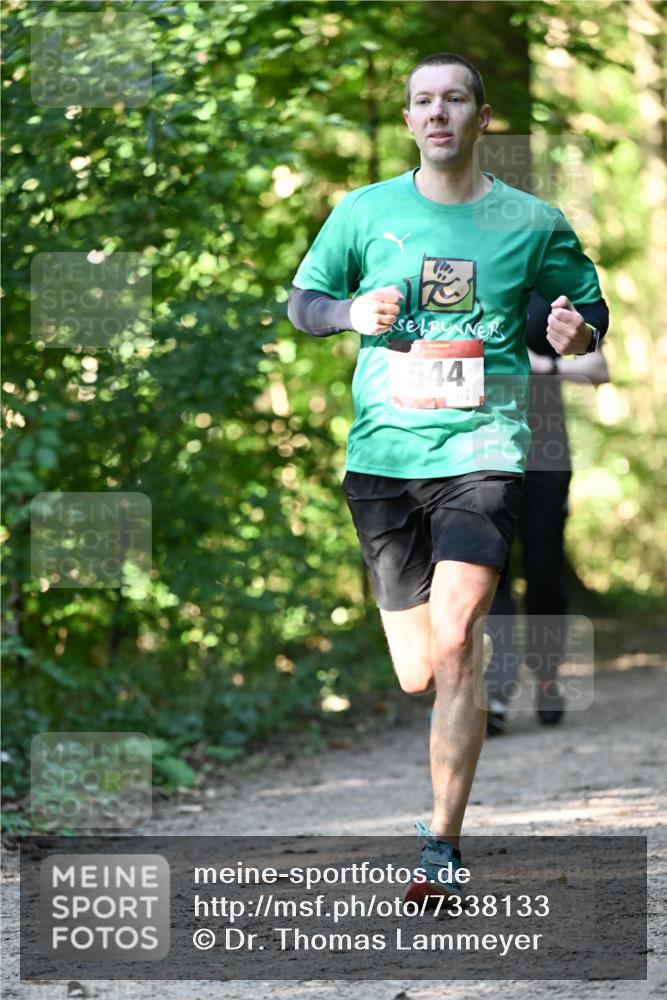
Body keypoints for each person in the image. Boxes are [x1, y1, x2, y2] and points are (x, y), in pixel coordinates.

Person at [288, 52, 608, 904]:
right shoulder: (364, 213)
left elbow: (588, 312)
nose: (439, 114)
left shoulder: (531, 221)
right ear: (407, 120)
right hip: (383, 459)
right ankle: (446, 703)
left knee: (461, 633)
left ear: (480, 114)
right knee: (418, 670)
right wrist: (350, 313)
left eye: (454, 99)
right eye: (423, 101)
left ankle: (441, 843)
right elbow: (304, 302)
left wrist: (575, 334)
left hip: (483, 449)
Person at [485, 291, 610, 735]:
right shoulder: (463, 284)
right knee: (489, 573)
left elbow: (599, 367)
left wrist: (544, 367)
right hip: (479, 455)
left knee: (543, 573)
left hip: (545, 459)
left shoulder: (551, 292)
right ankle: (495, 692)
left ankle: (548, 675)